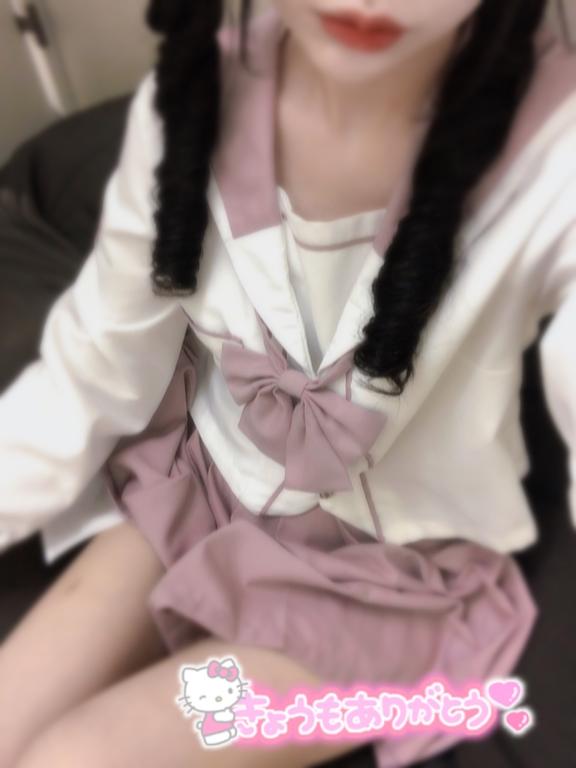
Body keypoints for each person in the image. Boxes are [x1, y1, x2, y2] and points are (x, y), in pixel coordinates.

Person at [0, 0, 575, 766]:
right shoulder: (194, 93)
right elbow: (94, 370)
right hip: (203, 485)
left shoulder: (557, 156)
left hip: (394, 578)